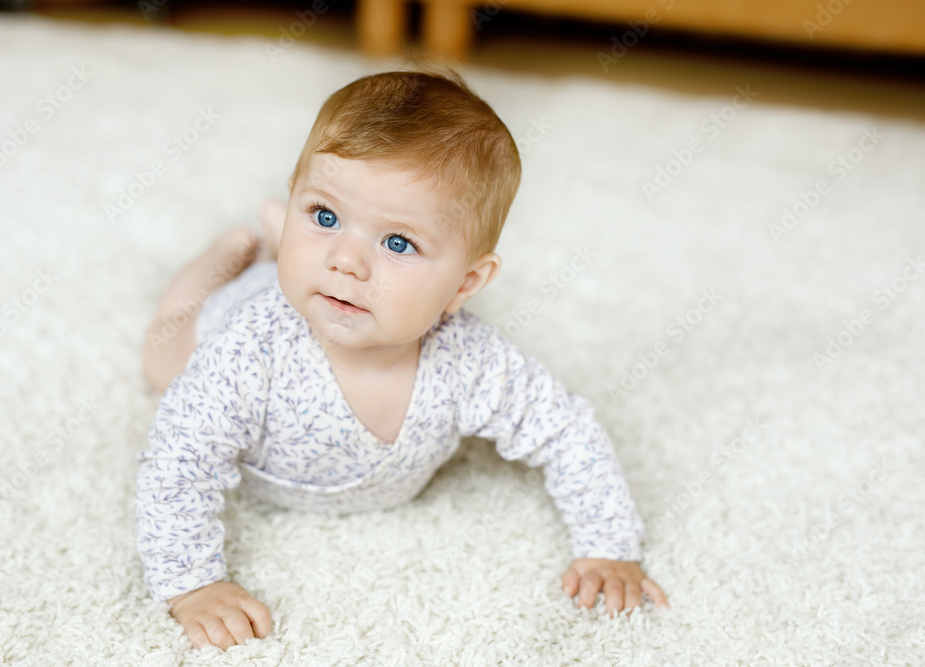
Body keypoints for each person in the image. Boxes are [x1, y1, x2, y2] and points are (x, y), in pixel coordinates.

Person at [136, 64, 668, 651]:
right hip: (220, 315)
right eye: (323, 216)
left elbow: (566, 431)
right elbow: (178, 461)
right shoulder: (247, 348)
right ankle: (229, 251)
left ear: (466, 282)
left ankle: (275, 240)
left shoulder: (472, 362)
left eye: (397, 243)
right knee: (162, 353)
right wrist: (193, 586)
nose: (346, 260)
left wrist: (608, 546)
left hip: (304, 289)